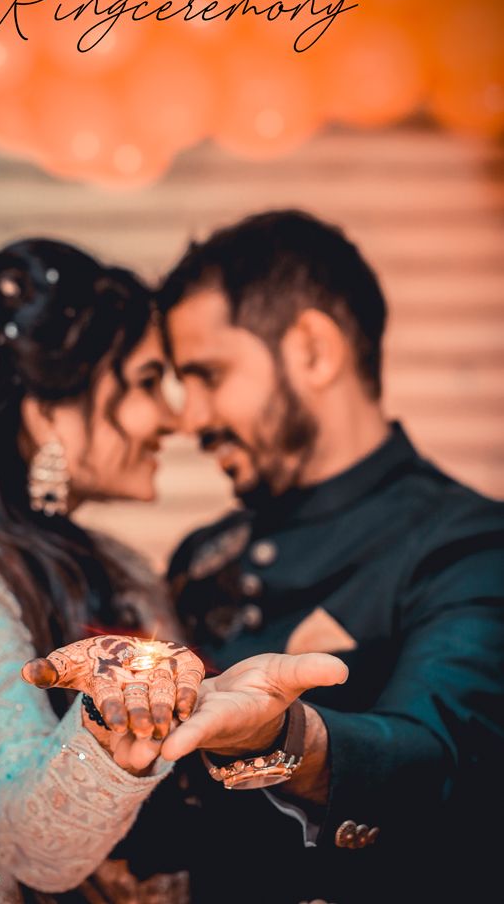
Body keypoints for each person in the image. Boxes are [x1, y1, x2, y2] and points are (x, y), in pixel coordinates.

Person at [0, 236, 347, 904]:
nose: (174, 415)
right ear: (48, 410)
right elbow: (34, 852)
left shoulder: (116, 566)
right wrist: (113, 735)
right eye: (144, 383)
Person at [155, 209, 504, 904]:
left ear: (313, 350)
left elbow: (438, 753)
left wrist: (284, 735)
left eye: (208, 374)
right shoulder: (201, 554)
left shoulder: (468, 542)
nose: (188, 418)